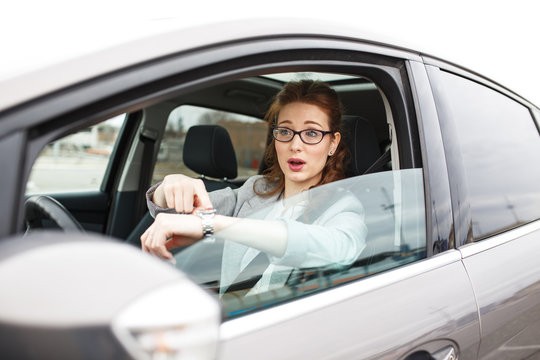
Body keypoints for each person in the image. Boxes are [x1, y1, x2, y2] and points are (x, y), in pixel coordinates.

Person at [141, 80, 367, 293]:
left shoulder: (344, 207)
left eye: (311, 133)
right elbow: (177, 215)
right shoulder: (256, 189)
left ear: (332, 143)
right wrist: (169, 187)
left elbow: (340, 250)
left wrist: (212, 224)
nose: (295, 145)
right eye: (286, 132)